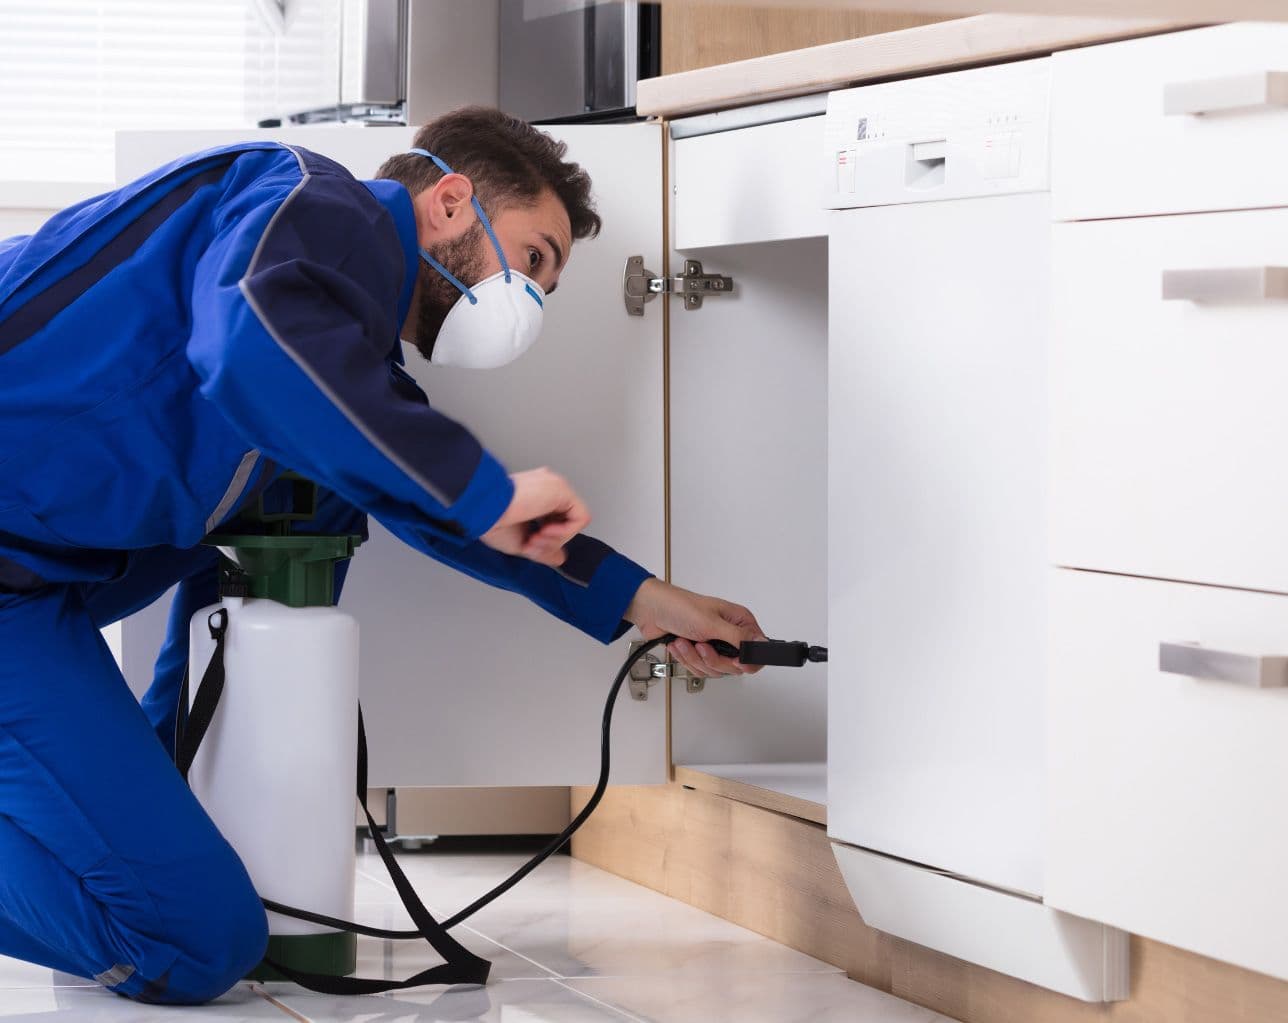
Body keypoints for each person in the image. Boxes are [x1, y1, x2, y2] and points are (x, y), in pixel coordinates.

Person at [0, 106, 765, 1005]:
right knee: (194, 940)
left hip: (32, 602)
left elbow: (448, 516)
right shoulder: (304, 198)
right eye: (535, 258)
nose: (533, 302)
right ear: (448, 202)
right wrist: (482, 490)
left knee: (324, 485)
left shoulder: (339, 377)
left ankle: (167, 791)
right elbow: (251, 335)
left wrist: (646, 600)